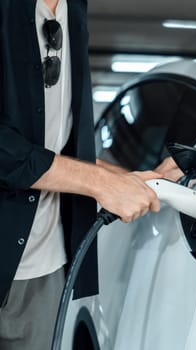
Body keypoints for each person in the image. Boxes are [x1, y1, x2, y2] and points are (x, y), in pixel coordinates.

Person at [0, 0, 180, 349]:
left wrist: (129, 179)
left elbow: (57, 148)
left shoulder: (74, 10)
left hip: (45, 266)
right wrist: (102, 185)